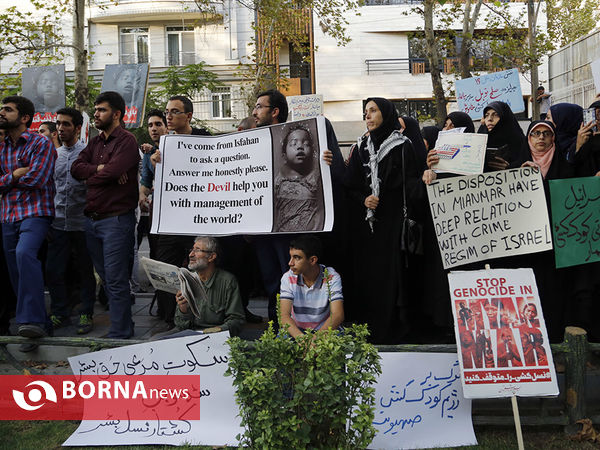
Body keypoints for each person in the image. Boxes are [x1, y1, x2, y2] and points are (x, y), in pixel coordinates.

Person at [344, 97, 424, 344]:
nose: (367, 116)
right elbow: (350, 185)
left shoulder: (403, 146)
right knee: (369, 277)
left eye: (373, 111)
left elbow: (412, 182)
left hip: (392, 224)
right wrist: (364, 200)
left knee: (393, 277)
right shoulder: (360, 147)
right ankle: (369, 328)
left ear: (386, 114)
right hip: (368, 227)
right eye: (365, 112)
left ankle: (393, 330)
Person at [71, 91, 139, 339]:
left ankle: (120, 332)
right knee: (108, 280)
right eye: (96, 110)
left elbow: (112, 172)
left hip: (116, 220)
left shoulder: (127, 141)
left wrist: (99, 175)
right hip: (92, 221)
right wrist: (101, 170)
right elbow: (75, 169)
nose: (96, 114)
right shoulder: (95, 142)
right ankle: (122, 327)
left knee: (116, 280)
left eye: (102, 110)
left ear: (117, 114)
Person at [148, 98, 211, 332]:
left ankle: (203, 316)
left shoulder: (205, 139)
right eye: (167, 112)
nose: (169, 117)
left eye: (175, 112)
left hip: (198, 219)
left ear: (189, 116)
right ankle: (170, 318)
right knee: (166, 271)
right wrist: (156, 162)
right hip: (171, 221)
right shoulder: (165, 144)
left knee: (201, 268)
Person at [0, 95, 56, 351]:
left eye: (7, 109)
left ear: (24, 118)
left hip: (35, 212)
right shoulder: (2, 148)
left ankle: (30, 319)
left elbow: (37, 179)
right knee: (15, 271)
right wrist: (14, 174)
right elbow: (22, 177)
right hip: (7, 215)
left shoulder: (40, 143)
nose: (1, 112)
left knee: (25, 255)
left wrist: (7, 181)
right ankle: (38, 326)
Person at [47, 107, 96, 335]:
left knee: (85, 270)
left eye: (66, 124)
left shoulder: (87, 153)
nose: (60, 128)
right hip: (57, 224)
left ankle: (86, 312)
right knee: (54, 270)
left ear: (77, 128)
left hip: (82, 224)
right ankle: (60, 313)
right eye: (58, 124)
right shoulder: (53, 155)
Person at [173, 236, 245, 335]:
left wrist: (211, 332)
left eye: (197, 250)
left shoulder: (227, 281)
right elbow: (180, 325)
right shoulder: (186, 278)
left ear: (211, 257)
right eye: (192, 250)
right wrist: (183, 308)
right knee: (154, 341)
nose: (191, 254)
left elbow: (236, 321)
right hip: (189, 334)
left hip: (216, 335)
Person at [279, 235, 344, 338]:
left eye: (297, 257)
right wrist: (303, 340)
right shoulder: (287, 278)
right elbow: (284, 316)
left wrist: (315, 340)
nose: (290, 263)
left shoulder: (331, 277)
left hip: (325, 330)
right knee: (279, 347)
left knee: (339, 346)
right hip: (297, 330)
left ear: (313, 260)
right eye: (291, 257)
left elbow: (337, 315)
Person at [274, 124, 325, 232]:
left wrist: (327, 162)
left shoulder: (317, 178)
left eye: (306, 144)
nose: (300, 146)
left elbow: (322, 210)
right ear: (284, 154)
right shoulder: (277, 181)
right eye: (293, 143)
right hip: (281, 236)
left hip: (309, 236)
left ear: (313, 152)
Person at [478, 101, 527, 171]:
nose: (490, 119)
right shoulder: (480, 139)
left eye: (496, 115)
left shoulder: (519, 141)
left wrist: (510, 168)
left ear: (505, 117)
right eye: (486, 115)